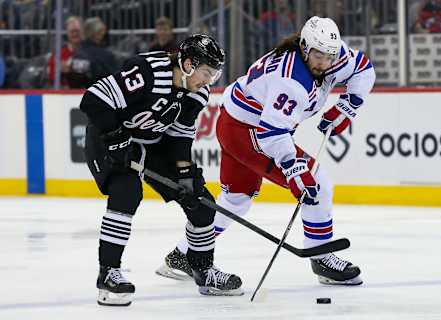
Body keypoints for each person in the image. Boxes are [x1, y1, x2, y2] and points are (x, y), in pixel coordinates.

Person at [156, 16, 375, 286]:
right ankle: (322, 256)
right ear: (305, 48)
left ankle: (183, 254)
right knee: (317, 182)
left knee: (236, 199)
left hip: (233, 123)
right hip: (249, 131)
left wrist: (348, 106)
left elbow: (363, 69)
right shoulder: (291, 80)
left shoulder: (332, 55)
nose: (325, 63)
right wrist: (294, 169)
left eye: (329, 56)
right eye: (318, 55)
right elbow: (271, 133)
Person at [79, 34, 243, 307]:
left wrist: (185, 174)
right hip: (107, 138)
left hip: (152, 145)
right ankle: (108, 274)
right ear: (189, 64)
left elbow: (179, 139)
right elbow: (93, 100)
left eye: (214, 75)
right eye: (206, 73)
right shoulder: (149, 72)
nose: (209, 81)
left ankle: (203, 271)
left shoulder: (197, 94)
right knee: (126, 192)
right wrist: (115, 136)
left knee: (201, 202)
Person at [68, 17, 118, 88]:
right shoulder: (105, 55)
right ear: (98, 33)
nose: (105, 34)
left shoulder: (77, 53)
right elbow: (115, 82)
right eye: (103, 31)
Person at [47, 16, 84, 88]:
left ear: (83, 31)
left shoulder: (89, 51)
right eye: (72, 31)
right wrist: (60, 71)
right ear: (67, 33)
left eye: (77, 31)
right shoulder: (59, 53)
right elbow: (51, 78)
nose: (75, 34)